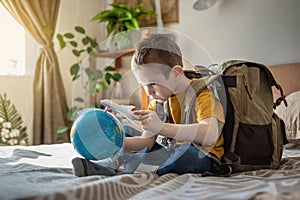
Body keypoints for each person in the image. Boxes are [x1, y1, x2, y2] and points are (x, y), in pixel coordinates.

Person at [72, 33, 225, 177]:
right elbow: (146, 142)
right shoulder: (158, 103)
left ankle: (123, 165)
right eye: (143, 85)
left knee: (184, 155)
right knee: (124, 131)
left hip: (203, 155)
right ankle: (113, 163)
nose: (148, 92)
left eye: (153, 83)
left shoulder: (202, 94)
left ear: (176, 73)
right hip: (171, 151)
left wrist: (161, 128)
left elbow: (210, 134)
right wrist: (115, 142)